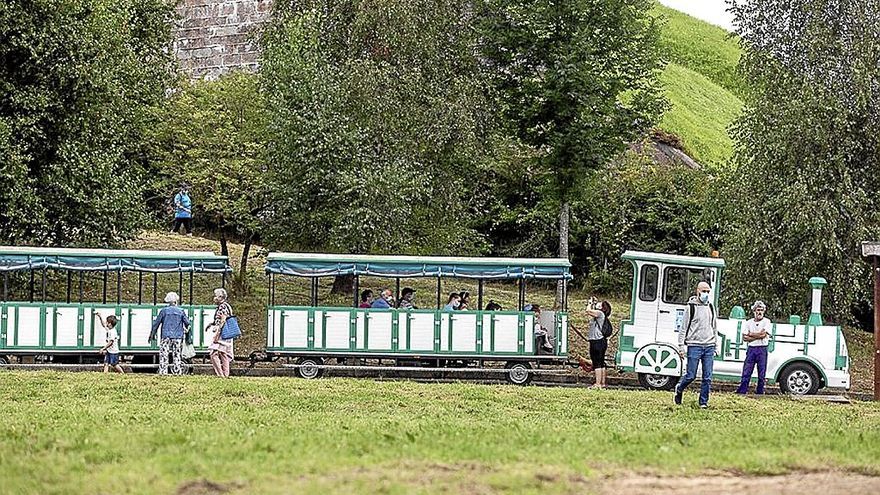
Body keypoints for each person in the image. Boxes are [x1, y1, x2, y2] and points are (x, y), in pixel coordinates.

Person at [674, 281, 718, 408]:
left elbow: (714, 326)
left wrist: (716, 345)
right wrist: (681, 346)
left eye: (708, 292)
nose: (706, 294)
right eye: (704, 291)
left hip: (709, 345)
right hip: (694, 345)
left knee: (707, 377)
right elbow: (683, 328)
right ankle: (679, 388)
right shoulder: (690, 308)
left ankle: (703, 402)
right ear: (697, 291)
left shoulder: (711, 307)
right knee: (691, 375)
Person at [149, 292, 191, 375]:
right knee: (177, 355)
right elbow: (188, 323)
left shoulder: (164, 311)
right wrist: (187, 332)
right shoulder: (181, 311)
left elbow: (156, 324)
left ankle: (163, 372)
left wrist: (152, 334)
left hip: (166, 336)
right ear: (176, 301)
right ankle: (177, 371)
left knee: (164, 355)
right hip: (178, 336)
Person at [737, 300, 771, 395]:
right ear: (754, 311)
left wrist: (751, 334)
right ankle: (743, 390)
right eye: (757, 310)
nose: (759, 312)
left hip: (762, 348)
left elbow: (763, 335)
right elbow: (744, 337)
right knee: (747, 371)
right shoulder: (748, 322)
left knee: (761, 373)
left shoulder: (766, 321)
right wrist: (757, 335)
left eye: (761, 310)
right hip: (751, 349)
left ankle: (760, 391)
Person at [207, 288, 234, 378]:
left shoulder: (223, 306)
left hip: (222, 333)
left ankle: (220, 374)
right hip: (225, 333)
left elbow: (223, 319)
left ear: (220, 297)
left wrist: (217, 333)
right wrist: (212, 323)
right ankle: (225, 374)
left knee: (213, 353)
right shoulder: (225, 306)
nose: (214, 298)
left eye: (216, 296)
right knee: (223, 353)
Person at [586, 299, 612, 389]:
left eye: (599, 304)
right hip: (601, 341)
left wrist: (589, 303)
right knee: (601, 363)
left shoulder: (600, 314)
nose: (597, 304)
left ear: (602, 307)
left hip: (596, 341)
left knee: (596, 362)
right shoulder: (602, 315)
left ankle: (597, 384)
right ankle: (602, 383)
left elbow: (588, 311)